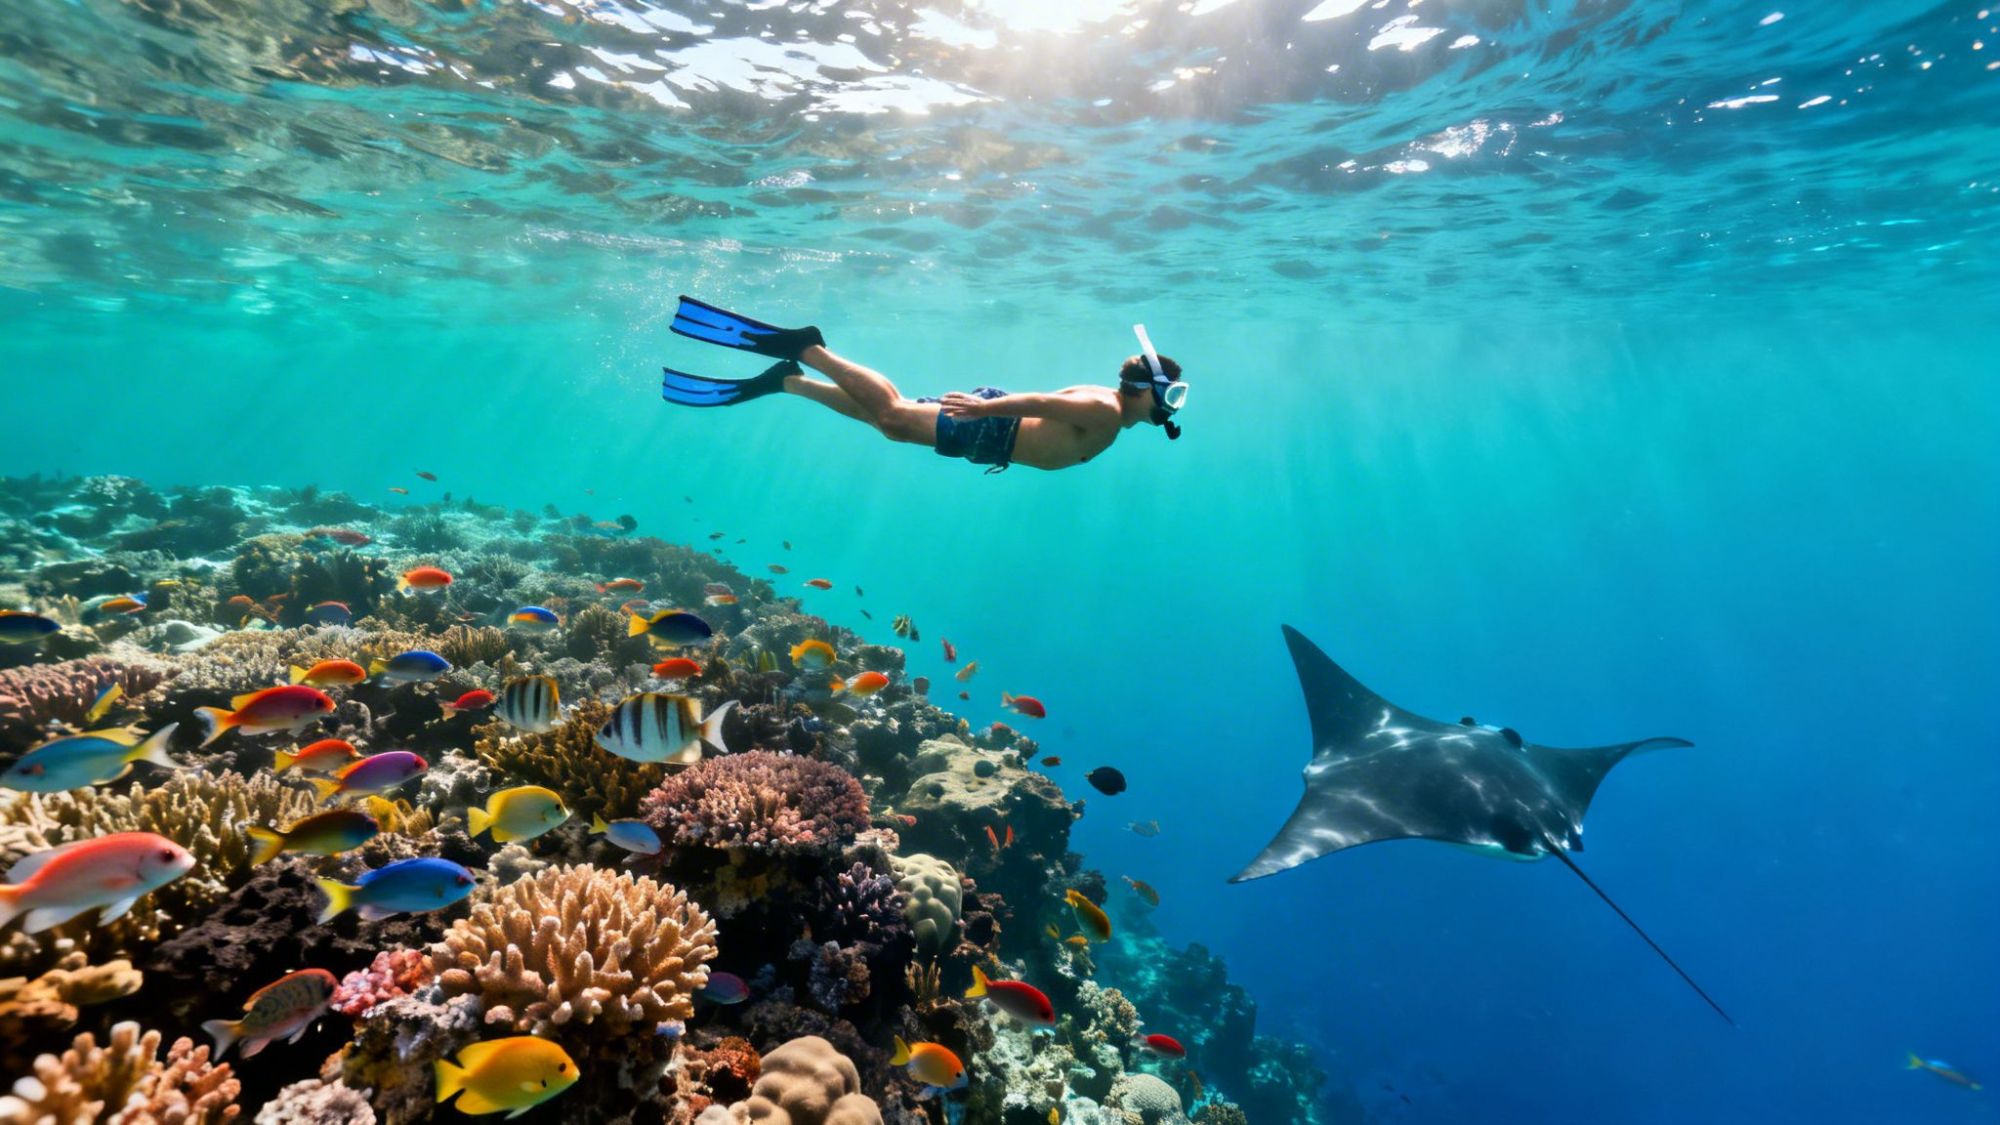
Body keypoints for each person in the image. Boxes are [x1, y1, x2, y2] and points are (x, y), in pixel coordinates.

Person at [658, 296, 1187, 472]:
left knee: (894, 421)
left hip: (990, 432)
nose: (1172, 407)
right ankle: (807, 350)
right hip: (991, 429)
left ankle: (791, 383)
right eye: (1172, 395)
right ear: (1148, 389)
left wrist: (990, 410)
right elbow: (1043, 402)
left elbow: (1047, 406)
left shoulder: (1103, 399)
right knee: (890, 413)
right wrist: (988, 410)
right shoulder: (1109, 414)